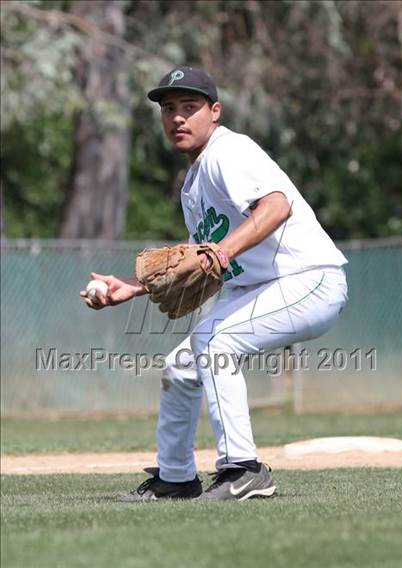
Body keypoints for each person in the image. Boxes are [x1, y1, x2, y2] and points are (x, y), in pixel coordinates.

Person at [80, 66, 348, 502]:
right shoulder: (193, 183)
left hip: (308, 279)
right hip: (264, 290)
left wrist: (223, 253)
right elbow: (193, 258)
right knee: (181, 368)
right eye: (169, 109)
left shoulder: (229, 152)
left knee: (216, 342)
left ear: (215, 112)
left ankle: (243, 470)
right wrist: (132, 286)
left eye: (191, 107)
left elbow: (277, 206)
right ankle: (176, 477)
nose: (178, 118)